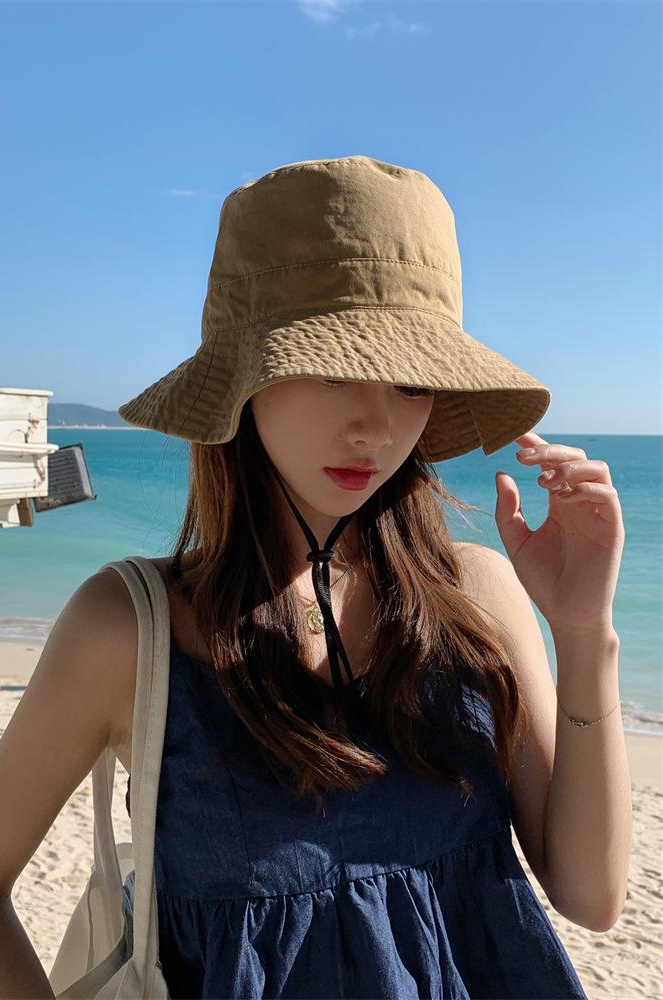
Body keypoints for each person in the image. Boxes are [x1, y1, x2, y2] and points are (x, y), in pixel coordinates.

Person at [112, 156, 610, 997]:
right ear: (245, 379)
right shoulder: (135, 625)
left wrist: (584, 630)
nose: (376, 426)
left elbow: (589, 896)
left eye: (412, 382)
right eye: (335, 367)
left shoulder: (476, 595)